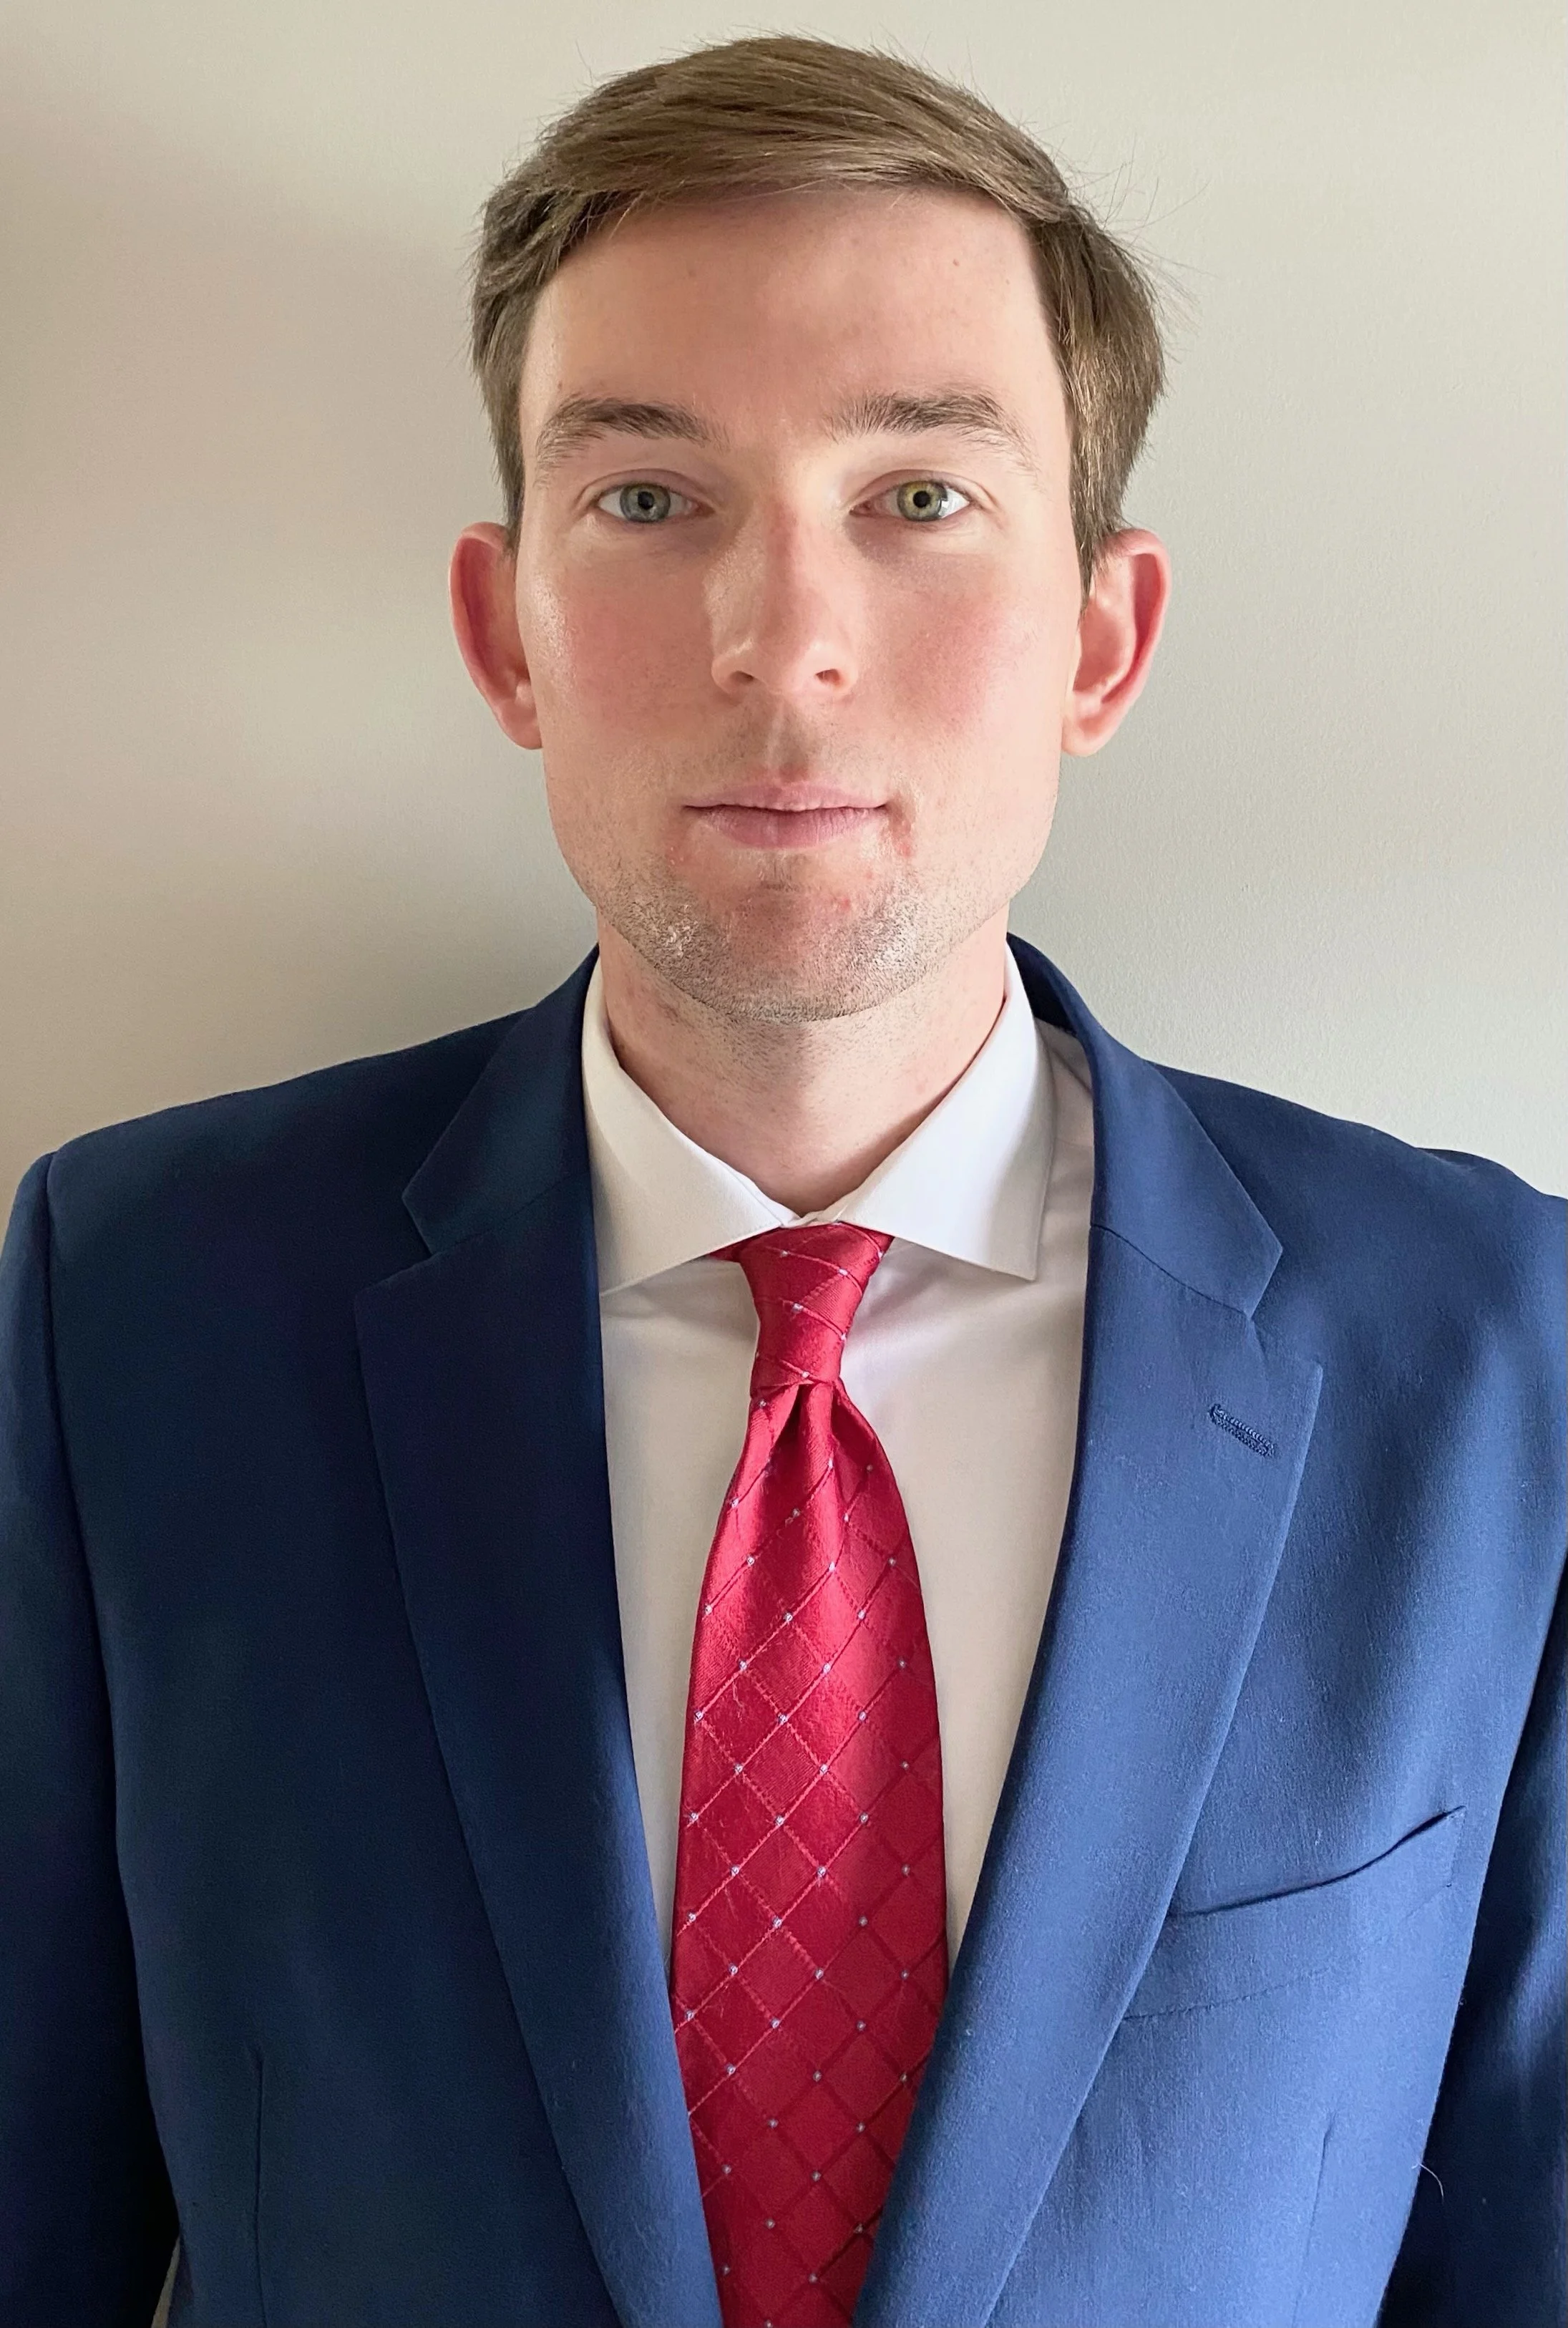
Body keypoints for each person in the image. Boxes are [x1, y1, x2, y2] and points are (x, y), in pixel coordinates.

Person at [1, 30, 1561, 2328]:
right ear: (501, 626)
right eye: (648, 499)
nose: (782, 638)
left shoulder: (1481, 1336)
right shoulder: (137, 1299)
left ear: (1101, 641)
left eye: (918, 495)